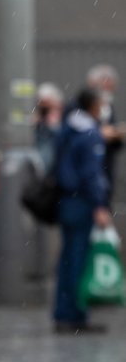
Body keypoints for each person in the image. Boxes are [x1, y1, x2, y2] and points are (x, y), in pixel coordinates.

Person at [53, 89, 112, 334]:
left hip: (67, 201)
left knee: (68, 259)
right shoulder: (90, 134)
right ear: (93, 106)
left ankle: (63, 311)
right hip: (82, 203)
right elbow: (91, 174)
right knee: (78, 259)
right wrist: (99, 204)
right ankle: (75, 315)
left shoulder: (69, 129)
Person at [86, 64, 125, 199]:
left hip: (105, 164)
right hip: (91, 168)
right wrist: (102, 133)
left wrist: (116, 134)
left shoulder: (108, 106)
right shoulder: (82, 106)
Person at [33, 82, 65, 173]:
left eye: (48, 107)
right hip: (41, 170)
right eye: (42, 107)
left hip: (59, 173)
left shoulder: (67, 120)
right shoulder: (38, 125)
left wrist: (54, 123)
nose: (45, 111)